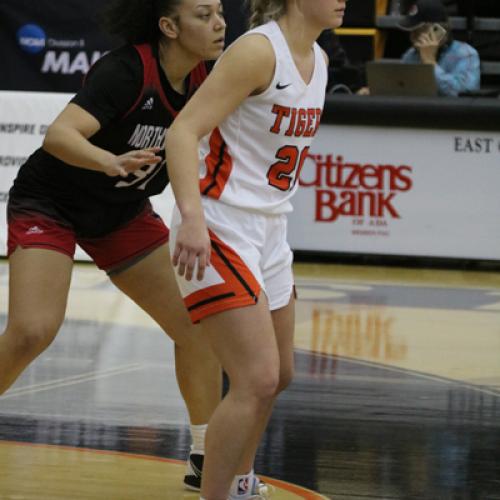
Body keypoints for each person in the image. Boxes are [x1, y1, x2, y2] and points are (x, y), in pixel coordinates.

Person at [0, 0, 226, 491]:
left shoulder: (214, 78)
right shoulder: (127, 70)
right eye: (204, 15)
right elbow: (59, 135)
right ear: (168, 26)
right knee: (32, 329)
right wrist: (106, 160)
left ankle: (208, 454)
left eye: (221, 12)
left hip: (120, 213)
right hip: (51, 201)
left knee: (197, 324)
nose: (219, 23)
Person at [165, 0, 347, 498]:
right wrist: (192, 218)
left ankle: (240, 482)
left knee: (278, 374)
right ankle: (217, 493)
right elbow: (181, 132)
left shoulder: (321, 59)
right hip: (218, 221)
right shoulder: (257, 52)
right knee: (257, 377)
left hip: (269, 226)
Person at [398, 0, 480, 96]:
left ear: (438, 30)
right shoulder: (410, 55)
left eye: (418, 31)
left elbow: (463, 94)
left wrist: (430, 62)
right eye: (412, 31)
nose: (413, 37)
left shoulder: (465, 54)